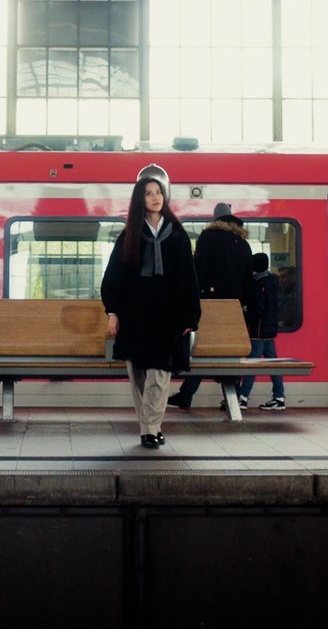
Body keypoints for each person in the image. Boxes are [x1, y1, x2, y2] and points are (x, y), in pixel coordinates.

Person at [101, 165, 201, 449]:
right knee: (139, 376)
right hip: (135, 316)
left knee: (159, 374)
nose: (156, 197)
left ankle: (149, 429)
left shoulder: (178, 235)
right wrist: (113, 313)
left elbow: (188, 279)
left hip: (167, 317)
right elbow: (114, 277)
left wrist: (190, 317)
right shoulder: (129, 236)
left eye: (158, 192)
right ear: (139, 200)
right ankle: (150, 428)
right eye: (148, 193)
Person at [170, 203, 252, 411]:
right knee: (228, 353)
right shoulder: (243, 242)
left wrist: (191, 299)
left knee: (204, 351)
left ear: (215, 219)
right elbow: (247, 278)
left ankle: (187, 395)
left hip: (211, 304)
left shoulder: (209, 238)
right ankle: (232, 397)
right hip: (235, 307)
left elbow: (198, 270)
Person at [243, 251, 286, 410]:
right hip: (269, 332)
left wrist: (246, 315)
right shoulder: (272, 282)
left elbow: (258, 310)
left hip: (259, 332)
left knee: (251, 365)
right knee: (273, 365)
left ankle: (242, 397)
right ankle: (279, 397)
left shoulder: (259, 285)